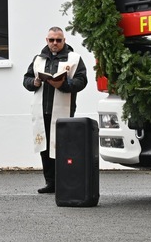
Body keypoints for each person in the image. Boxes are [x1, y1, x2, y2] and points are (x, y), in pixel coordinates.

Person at [23, 26, 88, 194]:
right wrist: (34, 83)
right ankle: (50, 182)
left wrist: (64, 85)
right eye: (51, 40)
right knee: (45, 147)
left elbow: (82, 81)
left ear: (64, 41)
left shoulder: (74, 58)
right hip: (42, 110)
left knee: (62, 147)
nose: (55, 43)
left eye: (58, 40)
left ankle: (63, 181)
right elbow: (27, 79)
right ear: (47, 40)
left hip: (63, 111)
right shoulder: (38, 59)